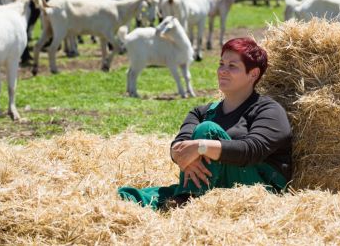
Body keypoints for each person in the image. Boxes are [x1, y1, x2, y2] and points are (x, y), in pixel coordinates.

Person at [118, 37, 292, 210]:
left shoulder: (268, 110)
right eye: (221, 64)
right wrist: (182, 155)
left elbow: (251, 150)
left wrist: (202, 147)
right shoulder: (201, 112)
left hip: (258, 190)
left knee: (207, 129)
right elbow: (179, 145)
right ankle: (187, 198)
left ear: (253, 74)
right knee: (135, 197)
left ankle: (186, 201)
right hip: (215, 186)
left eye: (232, 66)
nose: (223, 70)